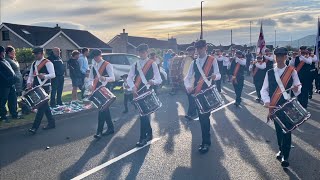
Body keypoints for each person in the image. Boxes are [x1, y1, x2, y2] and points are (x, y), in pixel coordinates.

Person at [261, 47, 301, 168]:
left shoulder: (291, 71)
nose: (279, 59)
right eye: (277, 56)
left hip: (287, 106)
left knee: (287, 130)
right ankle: (281, 149)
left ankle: (285, 156)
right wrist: (267, 101)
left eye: (282, 56)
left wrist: (296, 89)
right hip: (275, 106)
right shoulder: (269, 72)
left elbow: (298, 86)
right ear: (275, 57)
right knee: (279, 130)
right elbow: (264, 89)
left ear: (285, 57)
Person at [184, 40, 221, 154]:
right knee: (202, 118)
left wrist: (215, 76)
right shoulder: (194, 63)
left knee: (205, 117)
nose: (199, 50)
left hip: (209, 93)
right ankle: (206, 141)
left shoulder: (212, 60)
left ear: (205, 47)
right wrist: (189, 87)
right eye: (197, 48)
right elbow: (187, 77)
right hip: (198, 93)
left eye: (201, 48)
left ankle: (206, 141)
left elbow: (218, 74)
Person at [127, 43, 162, 147]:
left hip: (148, 92)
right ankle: (149, 134)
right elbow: (129, 78)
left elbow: (159, 79)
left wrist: (153, 81)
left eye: (143, 52)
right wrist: (132, 86)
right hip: (138, 92)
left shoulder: (152, 64)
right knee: (144, 115)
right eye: (140, 52)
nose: (141, 54)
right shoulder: (135, 65)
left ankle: (142, 138)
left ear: (147, 52)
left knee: (143, 115)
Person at [27, 48, 56, 134]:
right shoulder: (34, 64)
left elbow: (53, 74)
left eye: (37, 53)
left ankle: (34, 128)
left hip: (46, 87)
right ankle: (51, 123)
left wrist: (45, 76)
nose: (35, 55)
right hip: (37, 87)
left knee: (41, 107)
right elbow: (31, 75)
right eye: (35, 54)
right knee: (45, 106)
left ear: (42, 53)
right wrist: (29, 82)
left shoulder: (48, 62)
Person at [89, 49, 115, 139]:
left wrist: (105, 78)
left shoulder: (107, 65)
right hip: (97, 90)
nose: (95, 58)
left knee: (102, 110)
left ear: (100, 55)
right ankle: (111, 128)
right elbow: (90, 78)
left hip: (105, 89)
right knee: (105, 109)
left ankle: (99, 132)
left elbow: (113, 78)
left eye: (96, 56)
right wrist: (90, 85)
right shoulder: (93, 66)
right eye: (94, 57)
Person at [5, 46, 23, 119]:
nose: (14, 53)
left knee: (15, 97)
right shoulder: (7, 60)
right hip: (14, 82)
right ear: (9, 52)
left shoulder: (13, 59)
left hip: (18, 81)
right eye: (13, 52)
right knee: (12, 98)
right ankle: (13, 113)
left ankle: (15, 111)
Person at [0, 46, 17, 122]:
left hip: (11, 84)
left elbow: (11, 71)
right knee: (2, 101)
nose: (3, 53)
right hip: (4, 85)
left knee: (13, 99)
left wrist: (14, 78)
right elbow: (1, 75)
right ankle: (3, 116)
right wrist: (9, 80)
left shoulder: (5, 61)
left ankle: (14, 114)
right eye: (2, 52)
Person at [184, 46, 198, 120]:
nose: (189, 52)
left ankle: (191, 113)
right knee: (191, 99)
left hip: (194, 82)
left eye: (191, 51)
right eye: (189, 51)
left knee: (192, 99)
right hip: (189, 82)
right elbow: (185, 73)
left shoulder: (195, 60)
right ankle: (191, 113)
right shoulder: (188, 60)